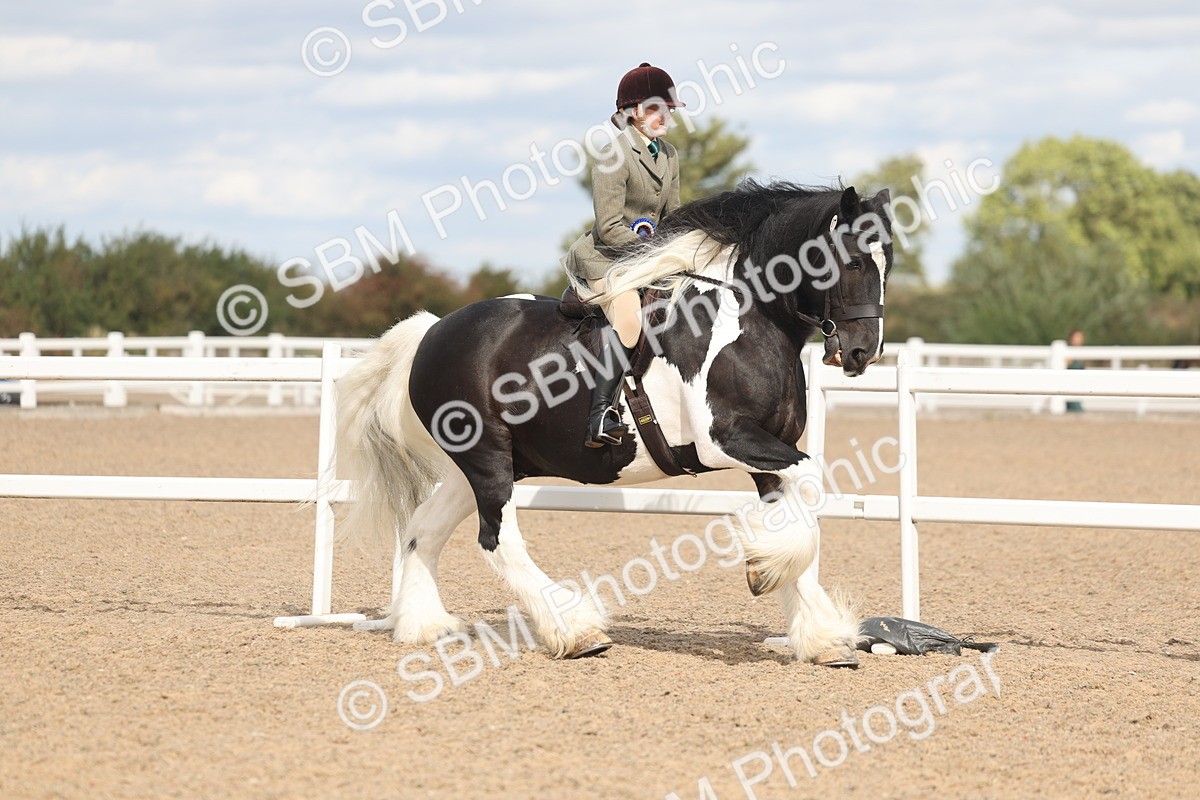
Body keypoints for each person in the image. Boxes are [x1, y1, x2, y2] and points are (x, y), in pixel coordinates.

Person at [562, 62, 684, 447]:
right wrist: (653, 252)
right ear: (632, 113)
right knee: (630, 320)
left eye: (667, 109)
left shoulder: (669, 155)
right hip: (605, 257)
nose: (663, 116)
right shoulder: (612, 156)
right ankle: (600, 415)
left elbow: (673, 217)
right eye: (654, 109)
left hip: (648, 256)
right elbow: (609, 226)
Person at [1066, 328, 1085, 412]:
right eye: (1077, 337)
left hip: (1078, 386)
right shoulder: (1068, 352)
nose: (1079, 339)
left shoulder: (1081, 353)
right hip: (1070, 386)